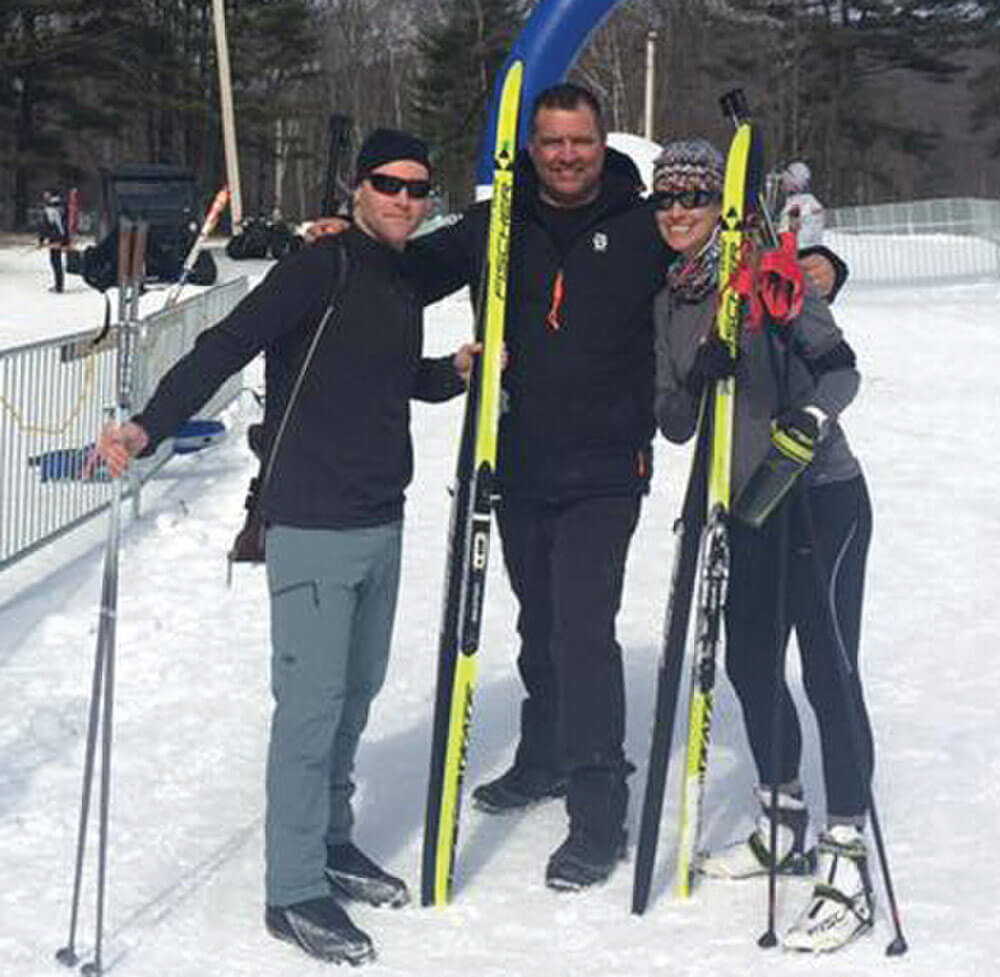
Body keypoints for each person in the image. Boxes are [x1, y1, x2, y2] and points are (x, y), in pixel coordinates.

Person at [308, 84, 844, 894]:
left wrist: (825, 264)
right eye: (552, 141)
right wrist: (344, 242)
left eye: (581, 141)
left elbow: (726, 246)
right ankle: (544, 752)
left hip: (606, 470)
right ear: (533, 144)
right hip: (517, 462)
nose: (566, 155)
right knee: (538, 623)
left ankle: (599, 810)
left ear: (603, 145)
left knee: (584, 630)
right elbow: (413, 271)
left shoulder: (641, 224)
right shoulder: (499, 222)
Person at [93, 128, 479, 966]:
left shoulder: (397, 276)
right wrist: (146, 424)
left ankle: (332, 841)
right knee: (310, 711)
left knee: (357, 694)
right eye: (388, 184)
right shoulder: (318, 266)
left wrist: (449, 369)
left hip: (381, 516)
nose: (404, 199)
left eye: (418, 188)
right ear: (355, 187)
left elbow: (386, 372)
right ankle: (294, 886)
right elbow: (226, 345)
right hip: (311, 522)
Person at [651, 139, 877, 953]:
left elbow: (841, 368)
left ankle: (848, 851)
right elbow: (673, 421)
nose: (678, 213)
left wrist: (813, 418)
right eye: (667, 201)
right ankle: (785, 818)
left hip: (819, 498)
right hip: (744, 510)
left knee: (827, 668)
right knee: (750, 662)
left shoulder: (770, 275)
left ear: (720, 205)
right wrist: (703, 370)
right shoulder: (671, 302)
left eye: (693, 199)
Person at [778, 160, 825, 248]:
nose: (783, 183)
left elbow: (804, 240)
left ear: (796, 182)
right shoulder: (794, 201)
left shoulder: (807, 205)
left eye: (787, 180)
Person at [38, 187, 70, 293]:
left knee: (55, 261)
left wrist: (42, 239)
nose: (44, 195)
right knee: (56, 261)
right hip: (60, 236)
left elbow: (46, 225)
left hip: (55, 237)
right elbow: (65, 224)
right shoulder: (62, 205)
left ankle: (59, 286)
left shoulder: (51, 207)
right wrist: (66, 238)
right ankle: (59, 284)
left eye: (46, 193)